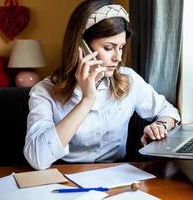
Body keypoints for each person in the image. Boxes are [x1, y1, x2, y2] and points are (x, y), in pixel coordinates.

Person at [24, 0, 180, 170]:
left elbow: (170, 112)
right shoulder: (43, 91)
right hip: (64, 177)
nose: (118, 57)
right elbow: (37, 159)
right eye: (108, 47)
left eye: (121, 47)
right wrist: (87, 100)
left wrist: (160, 126)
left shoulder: (129, 80)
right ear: (81, 47)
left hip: (116, 177)